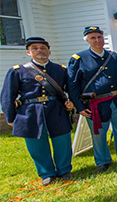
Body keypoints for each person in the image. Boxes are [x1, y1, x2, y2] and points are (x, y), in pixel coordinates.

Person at [1, 37, 74, 185]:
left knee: (62, 141)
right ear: (28, 52)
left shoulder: (60, 70)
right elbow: (8, 95)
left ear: (49, 51)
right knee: (37, 145)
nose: (39, 50)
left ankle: (64, 170)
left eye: (42, 48)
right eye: (35, 48)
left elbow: (70, 89)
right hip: (31, 111)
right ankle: (47, 173)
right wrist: (10, 117)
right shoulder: (17, 71)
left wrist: (71, 102)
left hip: (56, 109)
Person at [67, 26, 117, 173]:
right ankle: (103, 161)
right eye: (93, 38)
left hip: (116, 100)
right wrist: (80, 107)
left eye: (99, 37)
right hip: (96, 104)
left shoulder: (115, 56)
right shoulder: (78, 59)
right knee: (98, 134)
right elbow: (73, 85)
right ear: (87, 41)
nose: (97, 40)